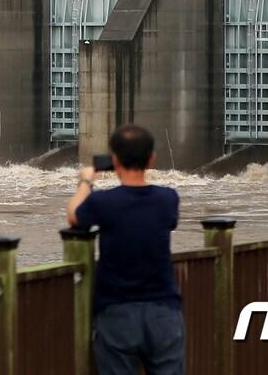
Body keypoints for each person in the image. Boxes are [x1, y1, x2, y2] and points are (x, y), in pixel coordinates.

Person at [66, 124, 184, 375]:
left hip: (116, 311)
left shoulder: (103, 202)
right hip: (163, 311)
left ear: (114, 160)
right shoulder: (168, 199)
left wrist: (86, 182)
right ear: (151, 159)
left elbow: (75, 215)